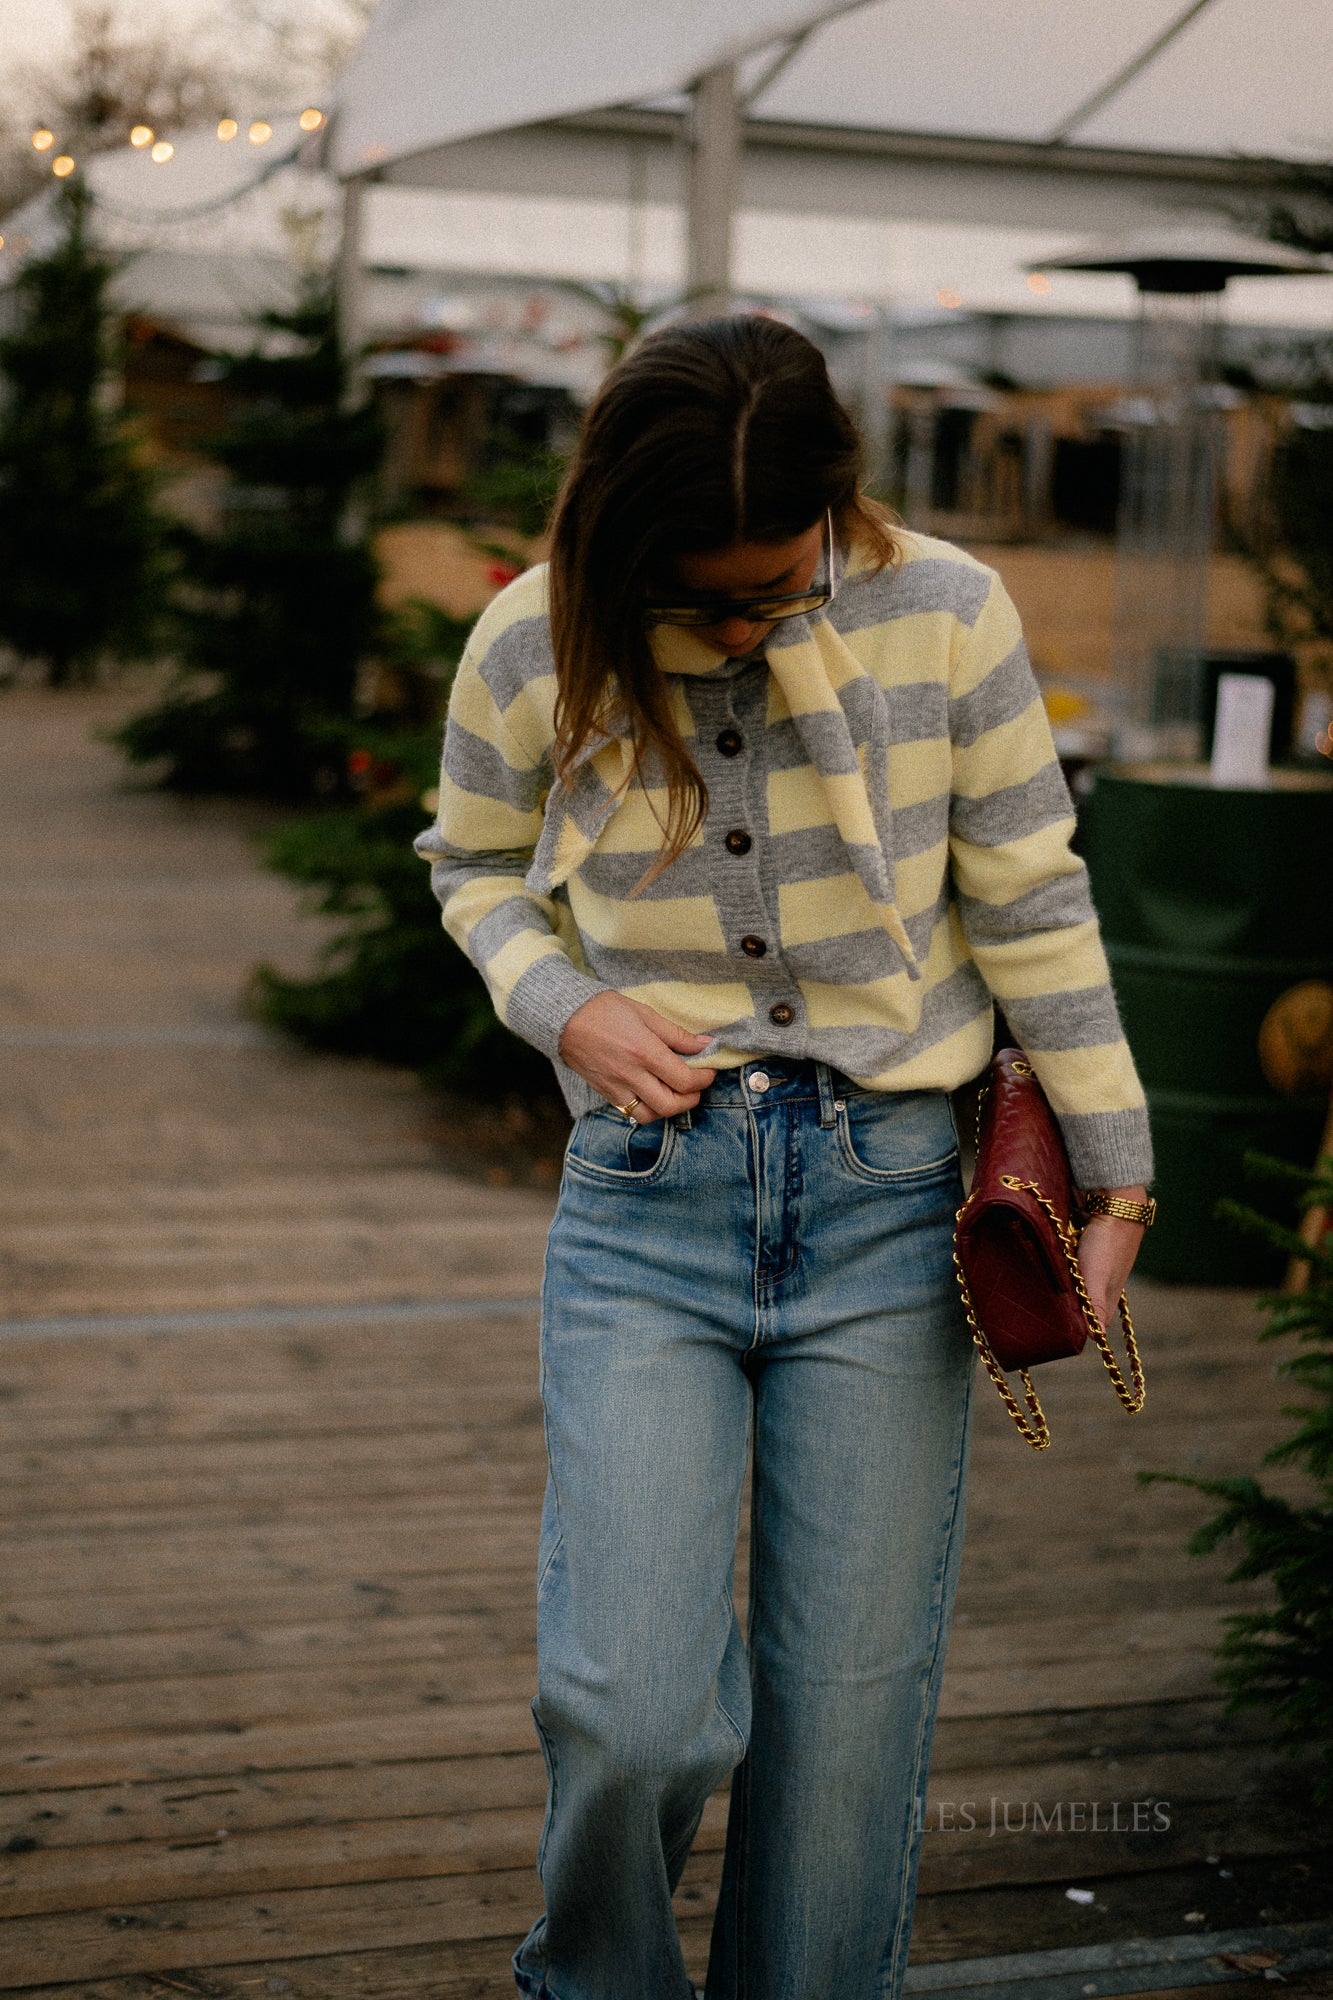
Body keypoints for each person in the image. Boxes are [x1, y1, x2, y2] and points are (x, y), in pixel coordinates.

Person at [414, 315, 1153, 2000]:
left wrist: (1113, 1178)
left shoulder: (950, 614)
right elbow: (467, 864)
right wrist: (566, 1008)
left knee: (844, 1720)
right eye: (704, 600)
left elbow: (1032, 903)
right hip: (646, 1206)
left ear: (838, 506)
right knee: (629, 1707)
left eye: (780, 587)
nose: (745, 625)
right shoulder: (531, 640)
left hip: (892, 1210)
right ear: (619, 543)